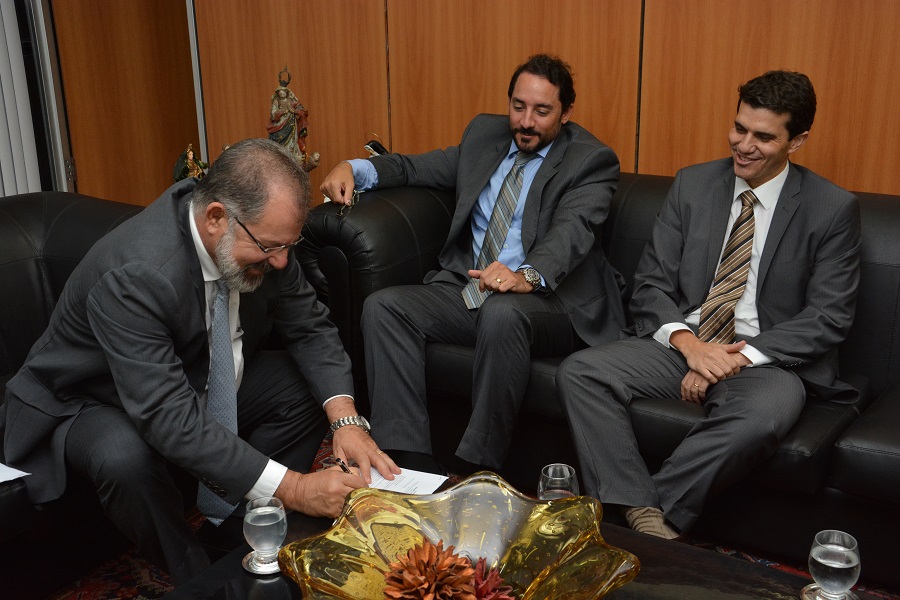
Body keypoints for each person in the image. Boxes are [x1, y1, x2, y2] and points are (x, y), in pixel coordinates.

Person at [1, 139, 399, 584]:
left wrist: (345, 420)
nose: (282, 261)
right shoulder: (138, 274)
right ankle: (197, 577)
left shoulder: (263, 236)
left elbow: (310, 327)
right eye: (270, 247)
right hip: (86, 397)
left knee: (301, 385)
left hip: (191, 372)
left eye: (290, 244)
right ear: (215, 218)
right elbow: (167, 416)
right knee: (123, 455)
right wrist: (296, 488)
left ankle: (241, 528)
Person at [556, 70, 861, 539]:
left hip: (767, 360)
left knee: (762, 417)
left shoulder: (831, 208)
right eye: (739, 128)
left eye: (763, 137)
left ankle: (654, 514)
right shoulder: (693, 184)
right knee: (581, 372)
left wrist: (730, 359)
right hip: (684, 342)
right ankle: (640, 510)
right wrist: (691, 346)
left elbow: (827, 317)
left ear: (797, 141)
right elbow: (651, 284)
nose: (744, 145)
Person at [320, 54, 625, 473]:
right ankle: (406, 465)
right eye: (518, 106)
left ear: (566, 112)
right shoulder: (485, 135)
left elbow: (572, 234)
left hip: (553, 302)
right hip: (475, 288)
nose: (526, 122)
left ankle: (477, 471)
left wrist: (524, 276)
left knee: (503, 313)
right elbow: (415, 167)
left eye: (542, 111)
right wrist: (353, 168)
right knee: (385, 307)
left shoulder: (590, 160)